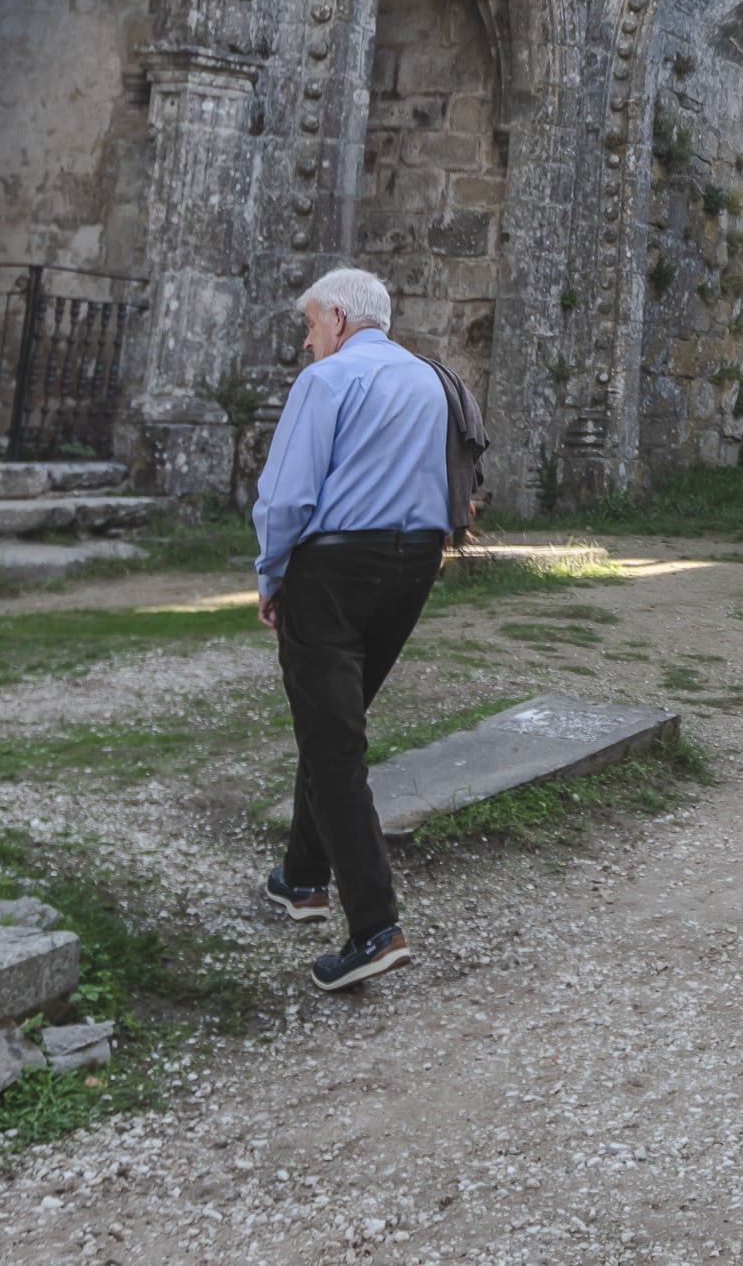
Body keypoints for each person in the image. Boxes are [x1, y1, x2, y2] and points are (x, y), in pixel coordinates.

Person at [251, 266, 453, 992]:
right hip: (414, 563)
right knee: (334, 720)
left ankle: (374, 926)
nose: (307, 342)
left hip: (333, 569)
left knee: (334, 742)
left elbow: (286, 497)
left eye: (309, 326)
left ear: (337, 316)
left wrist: (271, 575)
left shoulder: (327, 382)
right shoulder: (430, 380)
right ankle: (302, 878)